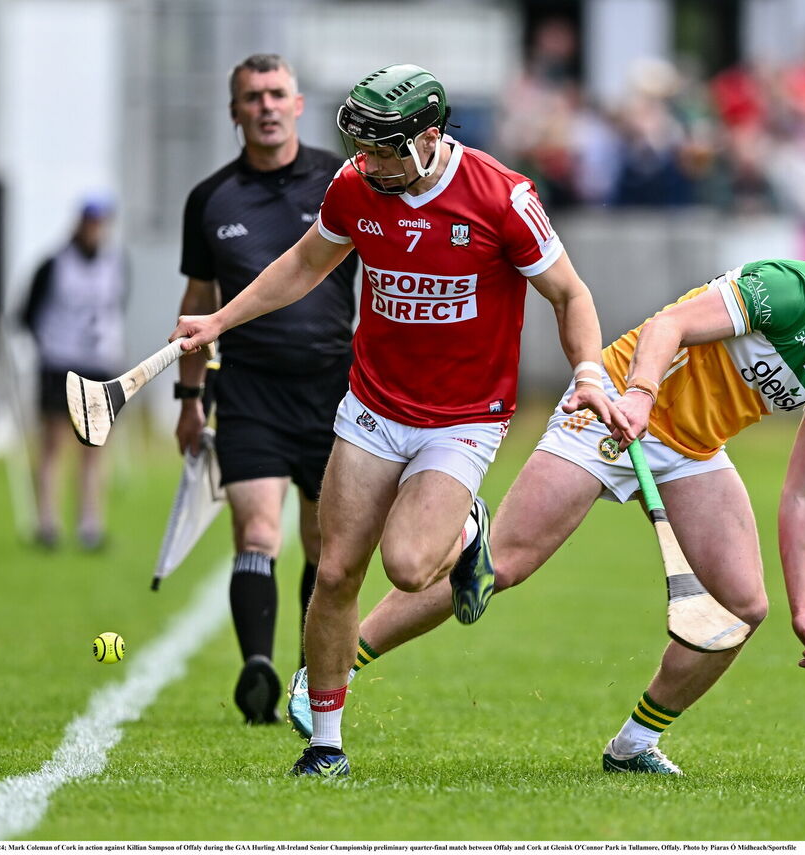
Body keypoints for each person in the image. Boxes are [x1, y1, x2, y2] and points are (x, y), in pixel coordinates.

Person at [346, 215, 805, 775]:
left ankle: (635, 744)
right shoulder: (787, 292)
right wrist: (639, 395)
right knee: (502, 566)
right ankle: (335, 667)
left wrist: (804, 605)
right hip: (617, 404)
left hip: (693, 453)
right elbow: (667, 326)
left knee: (742, 608)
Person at [169, 63, 624, 776]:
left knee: (410, 567)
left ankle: (468, 527)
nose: (369, 162)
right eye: (362, 147)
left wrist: (589, 373)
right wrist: (218, 321)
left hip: (464, 417)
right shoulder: (356, 186)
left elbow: (569, 295)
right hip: (375, 405)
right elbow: (304, 262)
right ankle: (326, 744)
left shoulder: (504, 198)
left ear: (430, 138)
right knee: (337, 570)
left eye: (384, 150)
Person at [175, 54, 358, 726]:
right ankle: (257, 671)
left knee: (325, 546)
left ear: (299, 103)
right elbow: (196, 302)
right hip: (247, 386)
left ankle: (315, 674)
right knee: (256, 532)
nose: (266, 106)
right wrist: (189, 400)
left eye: (277, 93)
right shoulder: (211, 198)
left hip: (334, 388)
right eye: (252, 97)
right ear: (235, 112)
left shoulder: (342, 181)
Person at [22, 196, 127, 551]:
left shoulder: (116, 263)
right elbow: (27, 313)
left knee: (94, 446)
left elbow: (118, 307)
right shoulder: (54, 264)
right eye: (89, 221)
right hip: (58, 363)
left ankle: (90, 524)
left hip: (98, 362)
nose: (94, 229)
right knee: (53, 443)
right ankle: (47, 522)